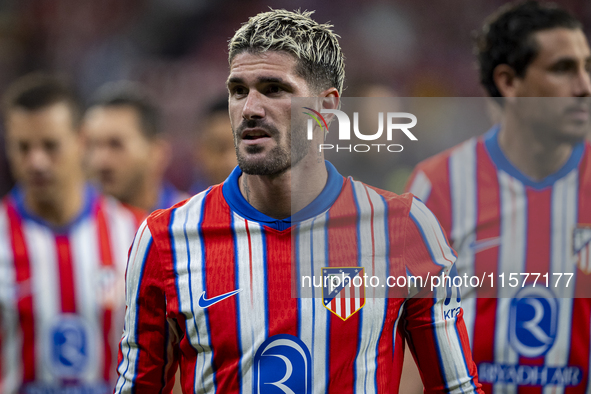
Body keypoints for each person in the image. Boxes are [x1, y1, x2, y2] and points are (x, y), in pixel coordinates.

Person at [115, 9, 483, 393]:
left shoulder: (405, 229)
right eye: (238, 91)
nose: (250, 109)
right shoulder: (165, 239)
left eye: (275, 89)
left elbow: (457, 388)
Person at [406, 1, 591, 392]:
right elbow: (405, 336)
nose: (584, 86)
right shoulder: (438, 186)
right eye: (563, 69)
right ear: (508, 82)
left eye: (587, 67)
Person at [0, 73, 143, 393]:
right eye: (23, 147)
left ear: (81, 140)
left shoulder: (135, 234)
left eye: (50, 146)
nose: (36, 162)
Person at [83, 81, 187, 212]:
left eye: (116, 145)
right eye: (92, 145)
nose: (100, 161)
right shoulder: (68, 221)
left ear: (157, 152)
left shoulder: (193, 221)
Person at [189, 97, 237, 194]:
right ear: (199, 152)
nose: (232, 162)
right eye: (220, 148)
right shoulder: (181, 207)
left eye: (244, 149)